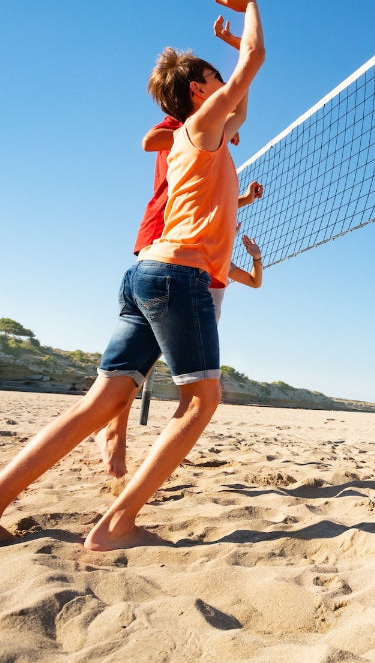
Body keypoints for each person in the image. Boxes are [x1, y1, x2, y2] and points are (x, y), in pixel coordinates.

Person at [0, 0, 265, 552]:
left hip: (143, 276)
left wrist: (232, 49)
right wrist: (252, 8)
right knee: (200, 402)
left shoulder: (201, 136)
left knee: (101, 400)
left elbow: (243, 86)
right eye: (213, 80)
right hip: (178, 278)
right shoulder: (202, 127)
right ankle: (117, 526)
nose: (224, 88)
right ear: (196, 90)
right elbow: (254, 65)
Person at [95, 82, 264, 479]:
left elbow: (211, 200)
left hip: (184, 247)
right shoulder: (186, 124)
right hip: (163, 237)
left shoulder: (211, 145)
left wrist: (244, 200)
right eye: (214, 86)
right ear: (196, 91)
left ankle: (120, 431)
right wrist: (210, 123)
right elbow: (149, 140)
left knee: (149, 356)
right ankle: (115, 429)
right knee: (155, 363)